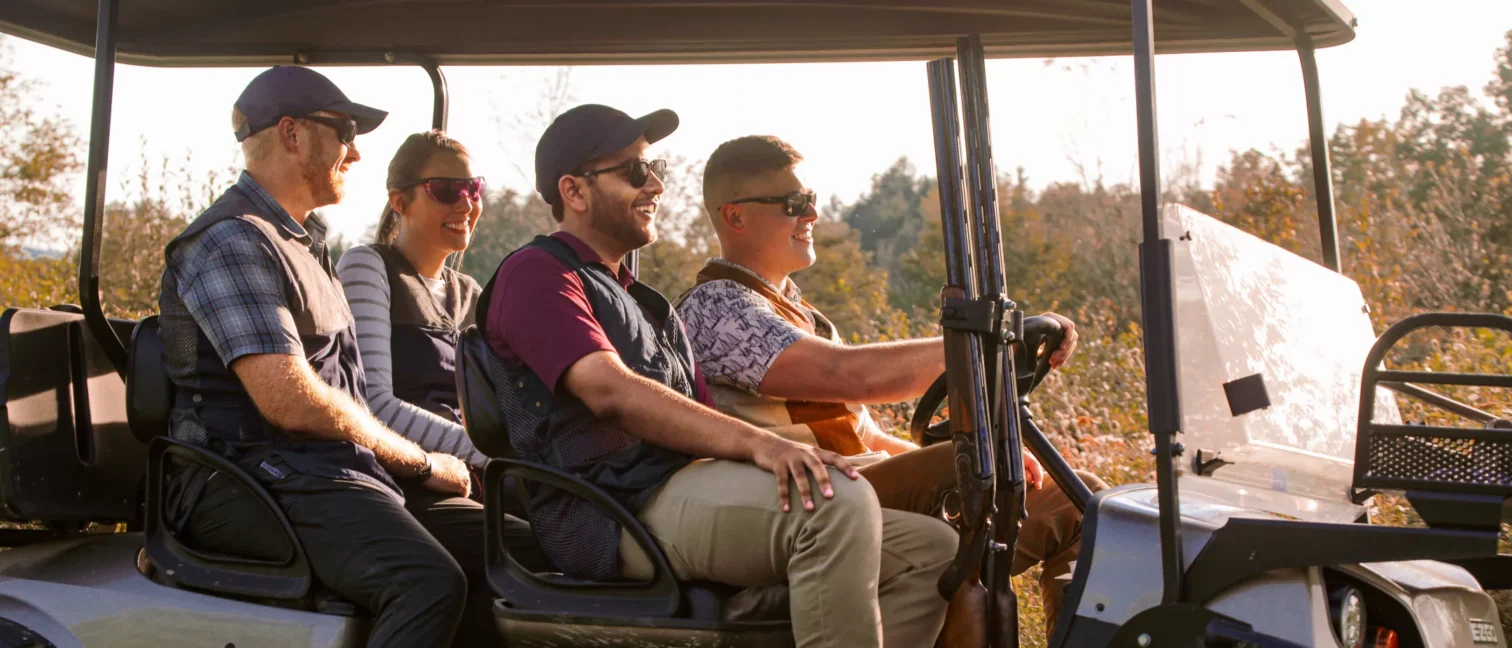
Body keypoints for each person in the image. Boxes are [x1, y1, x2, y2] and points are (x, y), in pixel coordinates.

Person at [480, 103, 957, 648]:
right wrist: (765, 447)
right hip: (613, 511)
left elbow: (700, 417)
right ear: (575, 191)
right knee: (834, 506)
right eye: (634, 171)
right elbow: (610, 392)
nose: (655, 184)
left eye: (656, 168)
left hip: (678, 491)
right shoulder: (537, 274)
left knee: (931, 550)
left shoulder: (645, 303)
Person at [157, 66, 535, 648]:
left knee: (516, 550)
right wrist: (422, 463)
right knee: (426, 583)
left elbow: (347, 393)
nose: (354, 153)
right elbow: (289, 400)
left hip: (322, 472)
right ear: (291, 134)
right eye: (344, 132)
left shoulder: (304, 244)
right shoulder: (233, 240)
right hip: (245, 478)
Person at [678, 134, 1108, 639]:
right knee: (983, 472)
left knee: (1086, 505)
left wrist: (984, 454)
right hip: (804, 503)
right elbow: (848, 375)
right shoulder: (715, 307)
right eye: (794, 204)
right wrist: (990, 346)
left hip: (858, 482)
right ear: (735, 217)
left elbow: (865, 434)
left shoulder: (800, 313)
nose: (811, 215)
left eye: (811, 200)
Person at [337, 131, 489, 470]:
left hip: (480, 472)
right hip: (407, 470)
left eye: (473, 189)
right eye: (446, 191)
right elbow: (373, 403)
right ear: (400, 202)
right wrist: (492, 457)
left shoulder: (472, 295)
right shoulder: (368, 268)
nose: (465, 204)